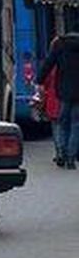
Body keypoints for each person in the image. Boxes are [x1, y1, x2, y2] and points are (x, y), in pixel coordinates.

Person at [37, 32, 79, 170]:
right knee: (76, 124)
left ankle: (61, 153)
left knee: (62, 122)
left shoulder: (60, 45)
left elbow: (49, 63)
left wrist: (39, 80)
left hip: (64, 91)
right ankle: (71, 158)